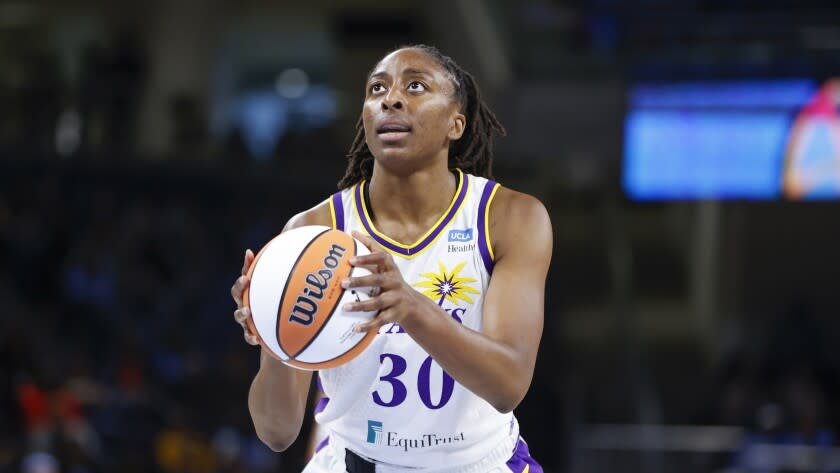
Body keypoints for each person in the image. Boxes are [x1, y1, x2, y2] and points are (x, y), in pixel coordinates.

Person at [230, 44, 552, 472]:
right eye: (376, 89)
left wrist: (410, 306)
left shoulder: (510, 218)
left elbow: (508, 385)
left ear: (457, 123)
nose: (391, 98)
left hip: (478, 463)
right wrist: (273, 333)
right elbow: (276, 431)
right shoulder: (311, 231)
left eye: (416, 86)